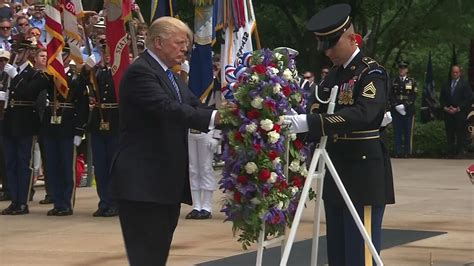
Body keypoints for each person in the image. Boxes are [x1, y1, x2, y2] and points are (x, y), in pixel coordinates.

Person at [284, 4, 395, 265]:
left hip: (363, 174)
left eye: (332, 45)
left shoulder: (371, 73)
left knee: (360, 255)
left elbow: (363, 114)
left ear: (350, 37)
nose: (328, 52)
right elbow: (315, 105)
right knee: (338, 254)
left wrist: (312, 122)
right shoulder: (332, 75)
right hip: (335, 172)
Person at [110, 16, 224, 266]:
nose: (185, 48)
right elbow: (168, 108)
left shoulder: (169, 75)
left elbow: (193, 104)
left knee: (156, 255)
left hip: (162, 183)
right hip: (143, 183)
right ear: (158, 42)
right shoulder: (142, 72)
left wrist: (233, 113)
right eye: (180, 43)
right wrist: (218, 118)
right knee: (146, 257)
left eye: (187, 44)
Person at [1, 39, 49, 215]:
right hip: (9, 121)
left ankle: (23, 201)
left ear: (28, 53)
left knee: (23, 163)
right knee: (10, 163)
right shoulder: (7, 72)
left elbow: (30, 92)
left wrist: (16, 76)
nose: (16, 54)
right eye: (14, 50)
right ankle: (14, 200)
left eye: (20, 51)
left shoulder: (34, 73)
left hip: (25, 123)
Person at [41, 46, 89, 216]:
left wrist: (79, 130)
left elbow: (82, 106)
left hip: (68, 126)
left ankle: (66, 203)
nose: (60, 58)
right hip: (51, 126)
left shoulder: (76, 77)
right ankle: (57, 201)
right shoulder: (51, 75)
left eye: (62, 55)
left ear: (68, 57)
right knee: (53, 166)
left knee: (66, 166)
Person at [185, 54, 221, 220]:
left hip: (208, 130)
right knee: (193, 168)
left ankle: (206, 206)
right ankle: (196, 205)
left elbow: (220, 109)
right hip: (191, 130)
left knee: (206, 168)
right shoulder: (187, 83)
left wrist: (217, 135)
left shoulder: (216, 85)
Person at [87, 45, 120, 218]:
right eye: (103, 53)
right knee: (100, 166)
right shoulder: (96, 72)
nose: (106, 57)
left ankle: (115, 202)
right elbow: (84, 86)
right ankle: (104, 201)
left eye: (108, 54)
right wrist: (88, 69)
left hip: (115, 121)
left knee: (112, 166)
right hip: (99, 121)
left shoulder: (119, 73)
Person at [440, 64, 473, 157]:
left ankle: (459, 152)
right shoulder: (446, 84)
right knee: (449, 133)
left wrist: (458, 108)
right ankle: (450, 152)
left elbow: (469, 98)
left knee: (459, 133)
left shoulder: (465, 84)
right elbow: (442, 98)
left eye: (456, 72)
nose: (454, 74)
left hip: (459, 113)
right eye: (453, 72)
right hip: (448, 112)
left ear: (460, 73)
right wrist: (445, 107)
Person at [390, 60, 417, 158]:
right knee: (397, 131)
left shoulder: (412, 81)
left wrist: (404, 105)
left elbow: (413, 96)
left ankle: (407, 152)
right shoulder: (393, 81)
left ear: (407, 70)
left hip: (408, 110)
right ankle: (397, 151)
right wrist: (396, 105)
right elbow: (391, 95)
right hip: (396, 110)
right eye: (400, 68)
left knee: (408, 132)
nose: (402, 70)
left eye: (404, 68)